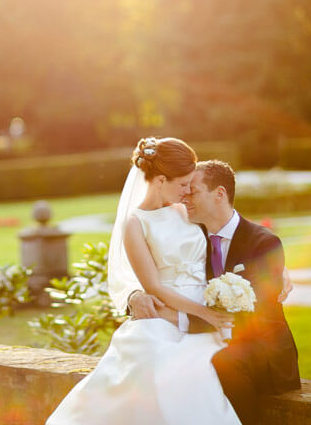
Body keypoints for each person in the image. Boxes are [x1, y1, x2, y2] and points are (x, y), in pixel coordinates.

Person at [46, 137, 241, 425]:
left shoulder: (187, 211)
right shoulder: (135, 224)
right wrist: (202, 314)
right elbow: (154, 286)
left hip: (210, 305)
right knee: (152, 362)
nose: (189, 191)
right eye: (184, 183)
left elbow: (230, 234)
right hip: (170, 312)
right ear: (161, 180)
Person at [129, 159, 301, 424]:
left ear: (219, 194)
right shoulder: (193, 240)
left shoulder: (264, 243)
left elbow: (255, 313)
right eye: (184, 190)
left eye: (193, 191)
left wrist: (175, 317)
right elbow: (156, 270)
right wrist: (135, 295)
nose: (184, 197)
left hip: (261, 347)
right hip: (212, 338)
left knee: (216, 363)